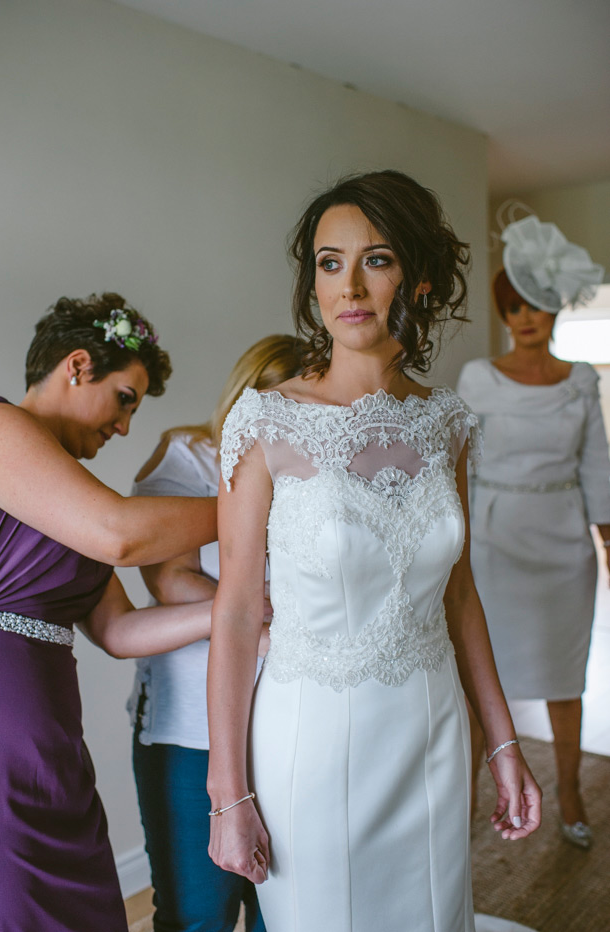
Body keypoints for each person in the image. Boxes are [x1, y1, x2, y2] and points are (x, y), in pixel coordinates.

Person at [206, 171, 542, 932]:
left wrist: (503, 744)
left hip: (430, 733)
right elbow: (232, 612)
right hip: (312, 745)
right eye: (329, 262)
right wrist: (228, 795)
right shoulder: (265, 424)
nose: (349, 285)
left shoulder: (447, 423)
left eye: (376, 259)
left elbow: (460, 597)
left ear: (419, 277)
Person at [0, 293, 218, 932]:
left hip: (50, 744)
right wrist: (255, 501)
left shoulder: (76, 499)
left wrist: (236, 611)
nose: (124, 428)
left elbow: (119, 630)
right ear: (78, 365)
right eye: (125, 399)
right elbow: (119, 533)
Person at [128, 334, 305, 932]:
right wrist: (260, 627)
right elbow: (170, 576)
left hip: (297, 723)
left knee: (285, 910)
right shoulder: (190, 457)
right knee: (197, 912)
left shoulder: (321, 470)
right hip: (190, 730)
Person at [457, 213, 609, 850]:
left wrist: (607, 540)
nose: (524, 318)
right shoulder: (477, 379)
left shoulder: (580, 381)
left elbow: (596, 464)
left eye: (536, 306)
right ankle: (464, 796)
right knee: (475, 675)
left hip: (563, 542)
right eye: (513, 307)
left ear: (553, 311)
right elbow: (456, 463)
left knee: (562, 677)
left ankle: (570, 791)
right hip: (493, 540)